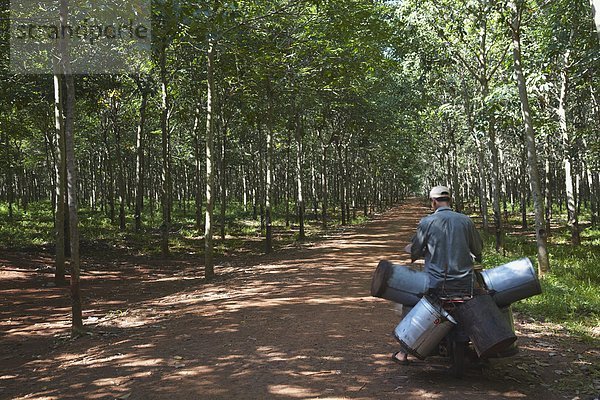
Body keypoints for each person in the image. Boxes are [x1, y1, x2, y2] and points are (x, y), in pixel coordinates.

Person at [392, 185, 483, 365]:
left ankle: (404, 352)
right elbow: (478, 250)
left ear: (433, 202)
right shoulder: (466, 221)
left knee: (412, 301)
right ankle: (478, 348)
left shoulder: (426, 222)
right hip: (465, 283)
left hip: (436, 283)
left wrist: (418, 252)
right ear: (450, 200)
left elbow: (416, 250)